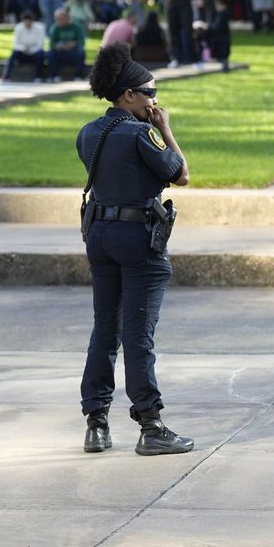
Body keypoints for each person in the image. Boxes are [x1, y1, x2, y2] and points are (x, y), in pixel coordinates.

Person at [76, 42, 192, 456]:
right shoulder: (141, 133)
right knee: (138, 335)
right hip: (137, 240)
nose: (155, 101)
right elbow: (181, 175)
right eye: (150, 93)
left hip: (100, 237)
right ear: (129, 95)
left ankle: (96, 423)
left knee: (104, 330)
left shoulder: (88, 131)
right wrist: (166, 129)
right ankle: (150, 426)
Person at [0, 9, 45, 84]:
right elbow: (16, 44)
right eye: (26, 21)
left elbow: (40, 45)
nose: (27, 23)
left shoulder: (40, 28)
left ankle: (38, 77)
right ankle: (6, 77)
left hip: (35, 53)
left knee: (40, 54)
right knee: (13, 54)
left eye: (29, 21)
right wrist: (23, 48)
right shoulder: (18, 28)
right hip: (22, 53)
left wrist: (30, 50)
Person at [47, 7, 86, 82]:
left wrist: (74, 44)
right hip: (60, 53)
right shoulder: (54, 28)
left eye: (61, 19)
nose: (58, 21)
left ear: (67, 18)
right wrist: (57, 46)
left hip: (72, 52)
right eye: (57, 19)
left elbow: (82, 42)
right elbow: (51, 44)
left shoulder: (76, 27)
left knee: (81, 52)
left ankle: (78, 76)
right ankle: (55, 76)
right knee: (50, 53)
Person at [208, 0, 232, 72]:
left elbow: (217, 26)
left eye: (218, 5)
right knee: (221, 55)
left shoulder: (223, 15)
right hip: (222, 39)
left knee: (223, 56)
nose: (216, 7)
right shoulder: (221, 14)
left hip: (222, 40)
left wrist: (208, 27)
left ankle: (225, 69)